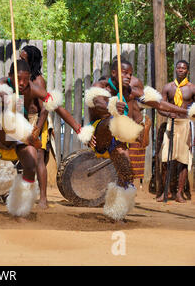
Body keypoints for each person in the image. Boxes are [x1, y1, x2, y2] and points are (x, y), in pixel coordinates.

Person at [83, 57, 194, 221]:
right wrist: (111, 105)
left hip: (118, 137)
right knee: (112, 121)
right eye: (124, 73)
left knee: (127, 173)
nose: (128, 77)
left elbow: (160, 104)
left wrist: (186, 112)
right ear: (113, 73)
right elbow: (96, 102)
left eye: (130, 74)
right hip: (100, 132)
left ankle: (116, 213)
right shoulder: (100, 87)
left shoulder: (130, 91)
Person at [19, 45, 87, 209]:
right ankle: (22, 196)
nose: (20, 61)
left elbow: (46, 107)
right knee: (23, 158)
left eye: (23, 59)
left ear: (31, 61)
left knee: (39, 159)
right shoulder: (19, 78)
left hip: (37, 121)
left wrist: (37, 129)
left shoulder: (38, 81)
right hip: (23, 120)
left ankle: (43, 199)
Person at [157, 60, 194, 203]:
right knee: (166, 158)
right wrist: (167, 114)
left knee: (183, 160)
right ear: (175, 69)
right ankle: (166, 192)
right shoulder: (168, 87)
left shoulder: (192, 88)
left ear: (187, 71)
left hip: (185, 124)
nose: (180, 70)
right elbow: (160, 106)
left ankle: (179, 193)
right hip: (171, 126)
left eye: (183, 68)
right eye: (178, 67)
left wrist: (192, 132)